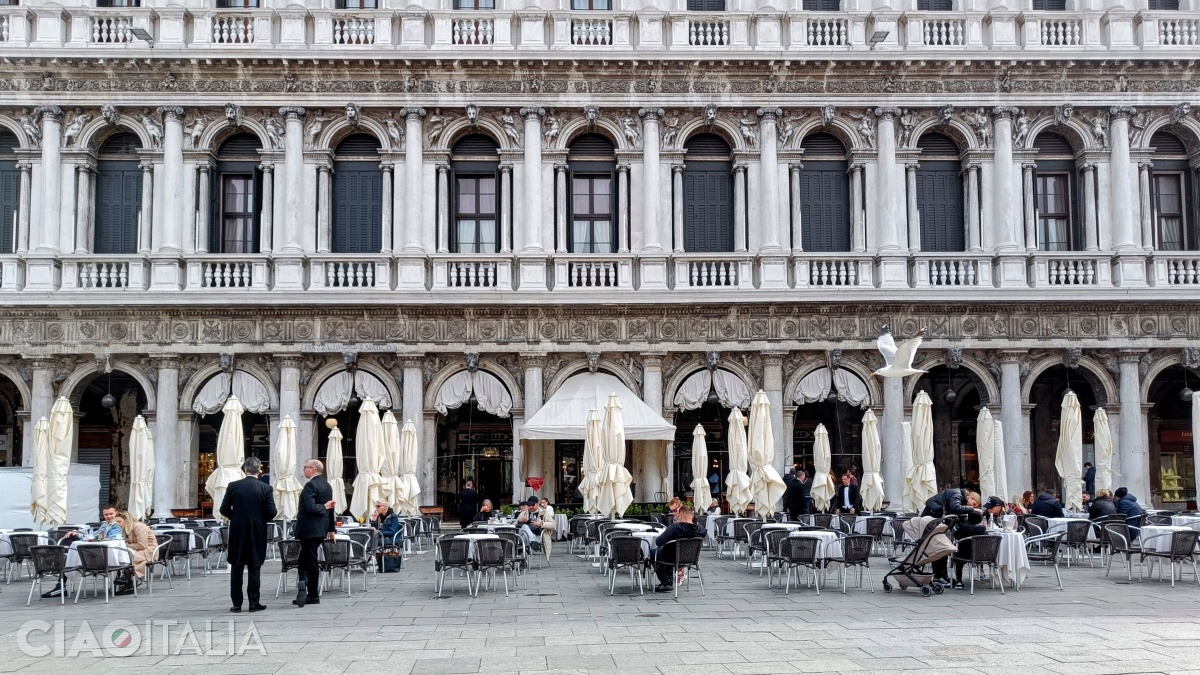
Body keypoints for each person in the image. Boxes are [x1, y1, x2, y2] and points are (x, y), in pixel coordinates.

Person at [220, 456, 278, 613]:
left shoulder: (233, 486)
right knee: (254, 566)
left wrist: (236, 517)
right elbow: (272, 511)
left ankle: (236, 604)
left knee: (236, 567)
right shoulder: (266, 488)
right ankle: (253, 603)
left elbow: (224, 509)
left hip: (237, 530)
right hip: (256, 531)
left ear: (245, 469)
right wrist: (260, 519)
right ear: (259, 471)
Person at [294, 459, 335, 608]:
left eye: (306, 467)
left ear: (313, 469)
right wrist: (331, 529)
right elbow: (331, 509)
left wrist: (323, 506)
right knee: (305, 558)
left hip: (309, 528)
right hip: (321, 529)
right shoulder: (327, 485)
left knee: (310, 560)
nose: (303, 469)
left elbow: (311, 507)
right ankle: (304, 584)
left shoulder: (310, 485)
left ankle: (312, 593)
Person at [650, 504, 704, 592]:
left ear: (680, 515)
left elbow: (658, 542)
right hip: (691, 558)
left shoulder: (674, 528)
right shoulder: (701, 529)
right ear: (692, 515)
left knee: (653, 553)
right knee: (665, 552)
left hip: (671, 558)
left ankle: (666, 581)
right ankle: (669, 579)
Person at [113, 511, 157, 596]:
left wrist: (127, 545)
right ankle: (127, 580)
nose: (118, 524)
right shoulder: (128, 527)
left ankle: (128, 581)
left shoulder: (139, 527)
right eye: (117, 522)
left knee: (128, 556)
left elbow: (142, 545)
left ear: (127, 520)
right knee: (122, 554)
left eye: (119, 521)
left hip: (149, 550)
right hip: (138, 549)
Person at [950, 511, 989, 589]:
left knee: (959, 564)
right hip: (979, 555)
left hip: (964, 554)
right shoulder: (982, 529)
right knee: (978, 548)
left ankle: (959, 581)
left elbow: (956, 536)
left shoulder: (963, 527)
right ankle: (981, 572)